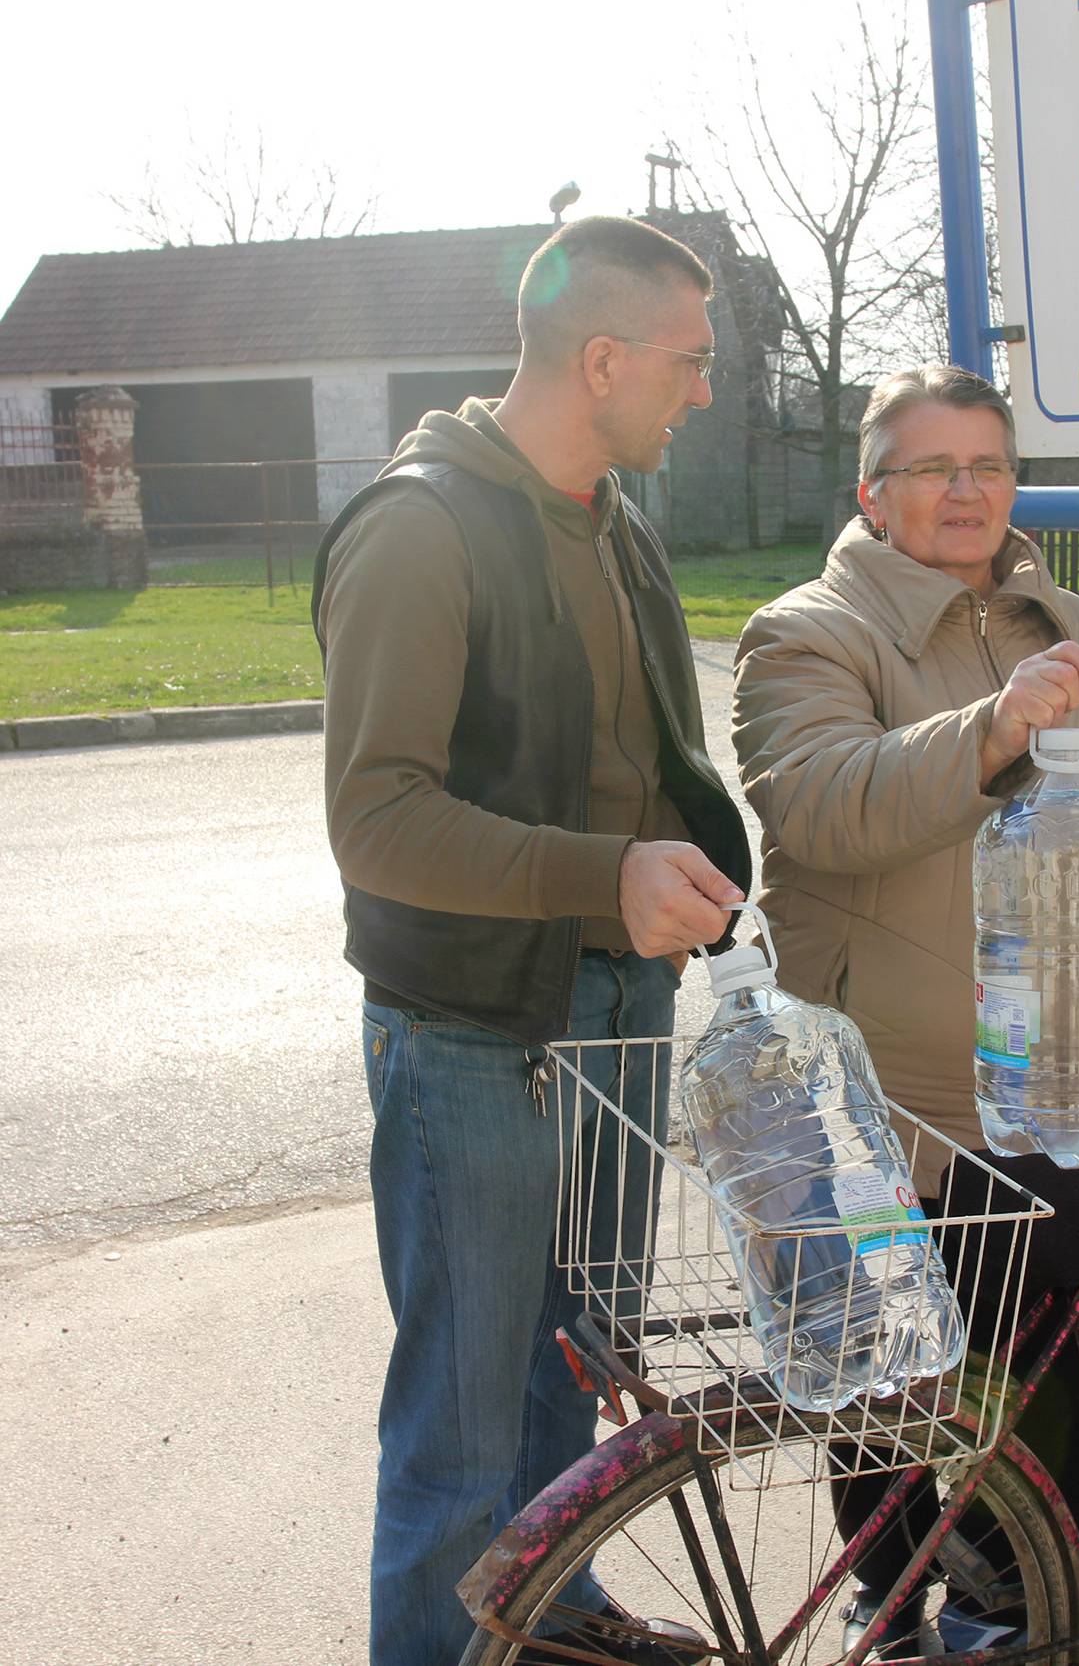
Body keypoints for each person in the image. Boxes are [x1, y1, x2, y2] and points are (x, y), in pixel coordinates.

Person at [731, 363, 1079, 1652]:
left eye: (989, 465)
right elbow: (825, 804)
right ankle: (898, 1603)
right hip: (879, 1103)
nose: (966, 491)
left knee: (1027, 1383)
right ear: (872, 492)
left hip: (1045, 1088)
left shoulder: (1071, 629)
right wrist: (992, 730)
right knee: (885, 1385)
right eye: (932, 469)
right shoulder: (808, 632)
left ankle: (1017, 1621)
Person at [312, 215, 752, 1666]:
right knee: (460, 1421)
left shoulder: (612, 518)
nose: (701, 391)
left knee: (574, 1373)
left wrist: (685, 878)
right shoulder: (418, 528)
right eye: (688, 363)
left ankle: (553, 1621)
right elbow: (376, 820)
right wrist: (603, 877)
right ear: (604, 357)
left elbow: (634, 761)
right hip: (470, 1039)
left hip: (616, 1011)